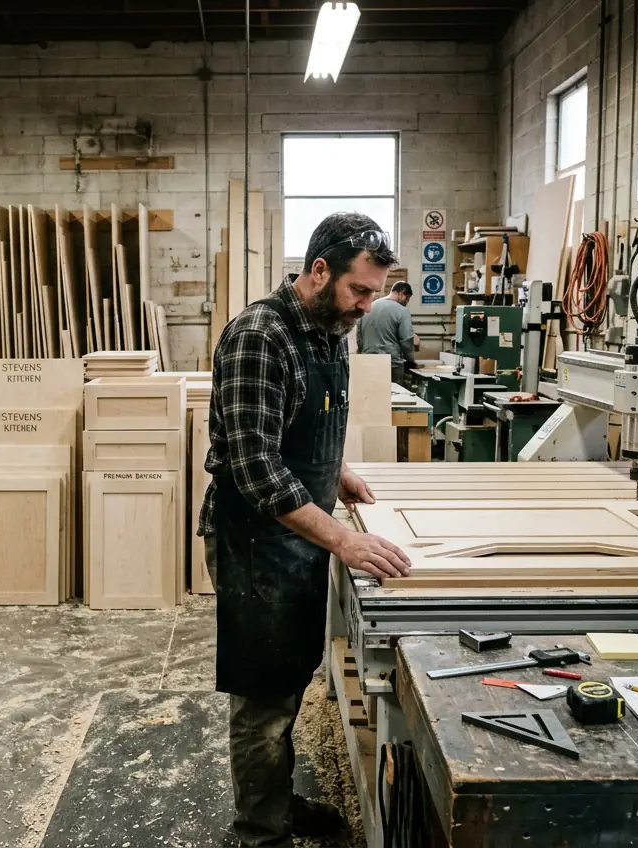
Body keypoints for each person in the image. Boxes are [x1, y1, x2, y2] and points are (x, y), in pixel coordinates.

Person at [199, 212, 413, 847]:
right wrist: (345, 539)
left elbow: (298, 422)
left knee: (290, 678)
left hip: (301, 535)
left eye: (375, 293)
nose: (367, 305)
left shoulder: (327, 330)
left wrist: (334, 466)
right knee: (264, 699)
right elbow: (256, 466)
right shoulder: (260, 337)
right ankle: (260, 832)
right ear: (318, 271)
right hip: (256, 543)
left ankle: (276, 804)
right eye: (359, 291)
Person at [356, 281, 417, 385]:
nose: (406, 302)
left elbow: (359, 337)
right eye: (407, 298)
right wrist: (411, 360)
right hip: (391, 364)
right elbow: (406, 341)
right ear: (400, 293)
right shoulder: (402, 311)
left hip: (368, 361)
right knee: (393, 396)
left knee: (371, 394)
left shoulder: (370, 307)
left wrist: (364, 353)